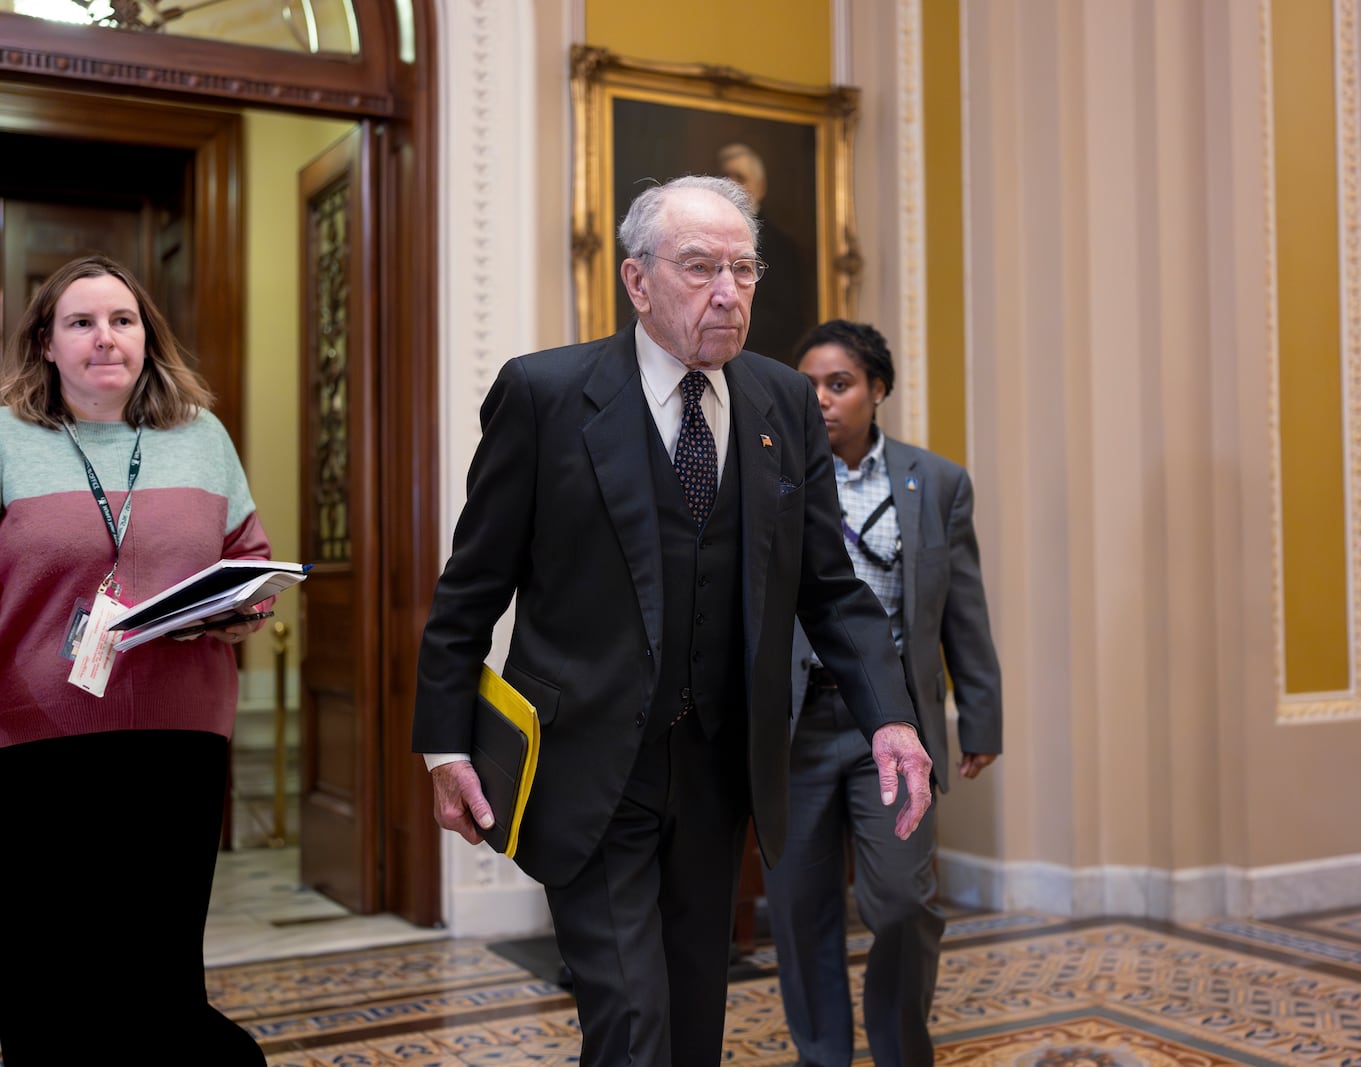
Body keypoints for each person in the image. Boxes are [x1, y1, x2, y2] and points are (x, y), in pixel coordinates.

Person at [412, 175, 934, 1066]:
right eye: (700, 267)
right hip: (587, 767)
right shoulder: (544, 396)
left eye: (743, 268)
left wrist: (890, 714)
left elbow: (828, 586)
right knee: (631, 1025)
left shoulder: (780, 405)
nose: (726, 291)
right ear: (637, 279)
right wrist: (444, 743)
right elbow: (472, 587)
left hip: (720, 772)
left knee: (695, 1026)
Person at [0, 255, 271, 1065]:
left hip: (179, 737)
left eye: (122, 320)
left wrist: (240, 607)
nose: (104, 338)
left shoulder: (202, 436)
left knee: (159, 963)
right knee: (46, 967)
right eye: (80, 322)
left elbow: (249, 557)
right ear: (46, 343)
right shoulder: (7, 437)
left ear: (146, 336)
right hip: (36, 739)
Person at [766, 320, 1003, 1067]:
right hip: (798, 722)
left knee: (902, 900)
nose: (822, 400)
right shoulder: (770, 479)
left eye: (839, 384)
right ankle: (823, 1056)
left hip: (893, 726)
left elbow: (960, 605)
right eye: (808, 385)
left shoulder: (937, 483)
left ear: (878, 391)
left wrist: (982, 714)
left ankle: (902, 1052)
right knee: (801, 910)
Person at [717, 142, 813, 364]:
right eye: (725, 176)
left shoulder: (782, 247)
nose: (731, 185)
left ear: (760, 187)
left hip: (755, 363)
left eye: (740, 178)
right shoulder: (701, 238)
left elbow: (788, 321)